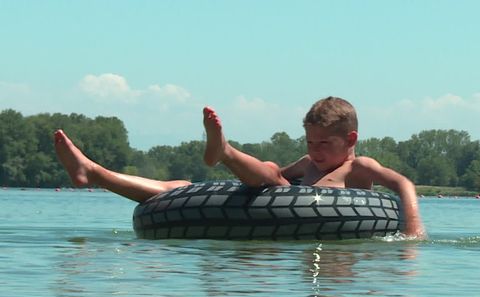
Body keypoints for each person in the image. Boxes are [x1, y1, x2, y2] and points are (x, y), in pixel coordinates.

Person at [54, 97, 425, 238]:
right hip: (280, 221)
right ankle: (94, 173)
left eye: (324, 144)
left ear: (351, 139)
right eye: (310, 143)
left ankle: (226, 151)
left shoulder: (358, 166)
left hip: (330, 244)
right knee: (182, 187)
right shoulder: (308, 165)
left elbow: (404, 184)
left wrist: (413, 234)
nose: (315, 152)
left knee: (274, 178)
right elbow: (276, 180)